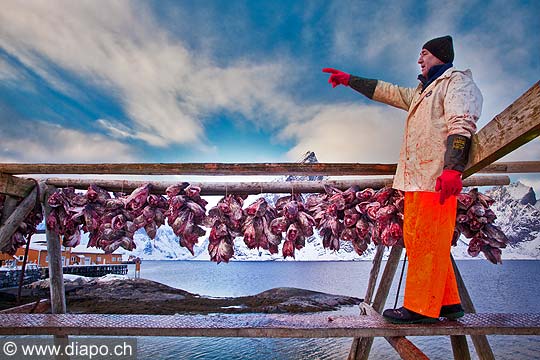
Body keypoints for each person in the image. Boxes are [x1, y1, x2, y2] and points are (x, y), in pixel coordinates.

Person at [323, 36, 482, 324]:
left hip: (436, 179)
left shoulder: (456, 83)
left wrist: (453, 169)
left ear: (440, 56)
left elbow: (462, 123)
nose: (419, 60)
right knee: (427, 240)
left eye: (424, 54)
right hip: (418, 179)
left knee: (425, 241)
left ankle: (420, 308)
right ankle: (447, 303)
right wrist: (349, 80)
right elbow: (389, 92)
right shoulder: (425, 91)